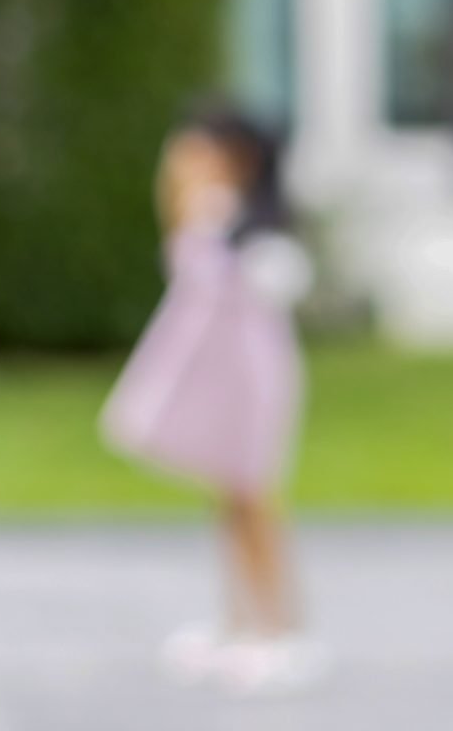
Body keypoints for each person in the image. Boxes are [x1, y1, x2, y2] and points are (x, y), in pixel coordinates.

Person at [101, 101, 320, 695]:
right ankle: (240, 623)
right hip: (217, 373)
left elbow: (270, 286)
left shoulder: (248, 228)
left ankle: (282, 630)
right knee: (228, 498)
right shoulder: (204, 213)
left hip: (249, 375)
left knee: (254, 496)